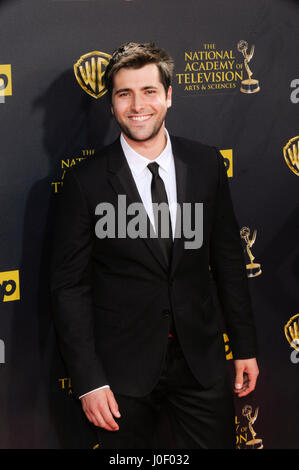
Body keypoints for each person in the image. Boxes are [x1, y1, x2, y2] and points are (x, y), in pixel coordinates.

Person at [51, 42, 259, 449]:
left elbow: (229, 262)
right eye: (123, 93)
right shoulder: (84, 182)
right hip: (121, 371)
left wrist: (245, 346)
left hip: (201, 361)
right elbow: (69, 287)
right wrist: (89, 380)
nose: (136, 105)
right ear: (111, 105)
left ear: (168, 96)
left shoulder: (206, 164)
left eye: (148, 91)